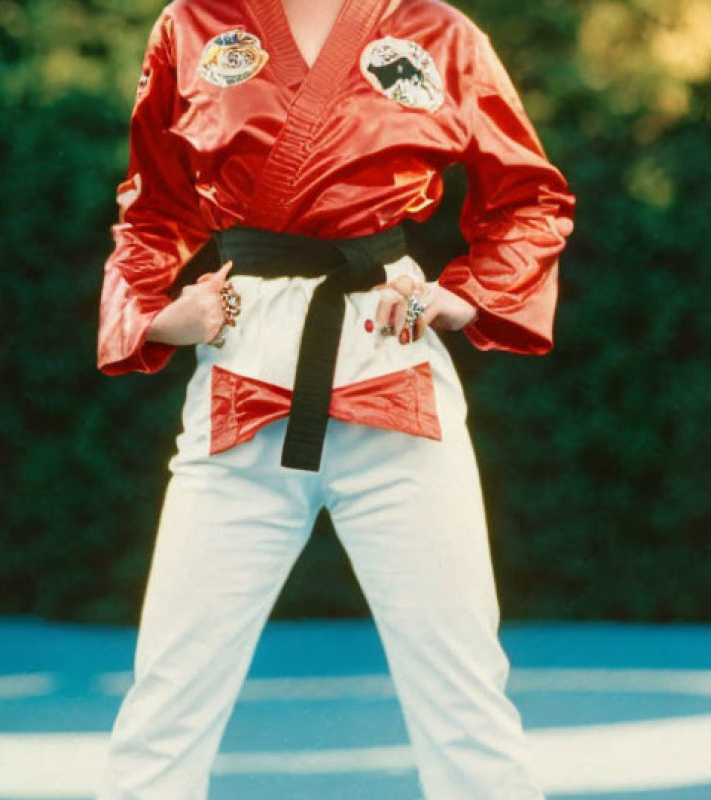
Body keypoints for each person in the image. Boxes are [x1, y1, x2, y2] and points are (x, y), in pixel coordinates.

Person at [94, 0, 575, 797]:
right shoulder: (193, 24)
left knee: (465, 701)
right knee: (165, 706)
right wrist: (155, 317)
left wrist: (470, 296)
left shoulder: (438, 31)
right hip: (239, 374)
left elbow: (530, 198)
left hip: (393, 363)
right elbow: (152, 210)